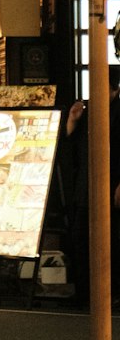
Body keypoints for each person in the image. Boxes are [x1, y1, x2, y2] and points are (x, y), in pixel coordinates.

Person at [64, 64, 120, 307]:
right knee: (80, 238)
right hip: (85, 186)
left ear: (114, 89)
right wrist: (72, 121)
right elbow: (73, 147)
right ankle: (84, 292)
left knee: (112, 241)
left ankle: (113, 292)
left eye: (100, 86)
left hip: (113, 183)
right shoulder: (89, 111)